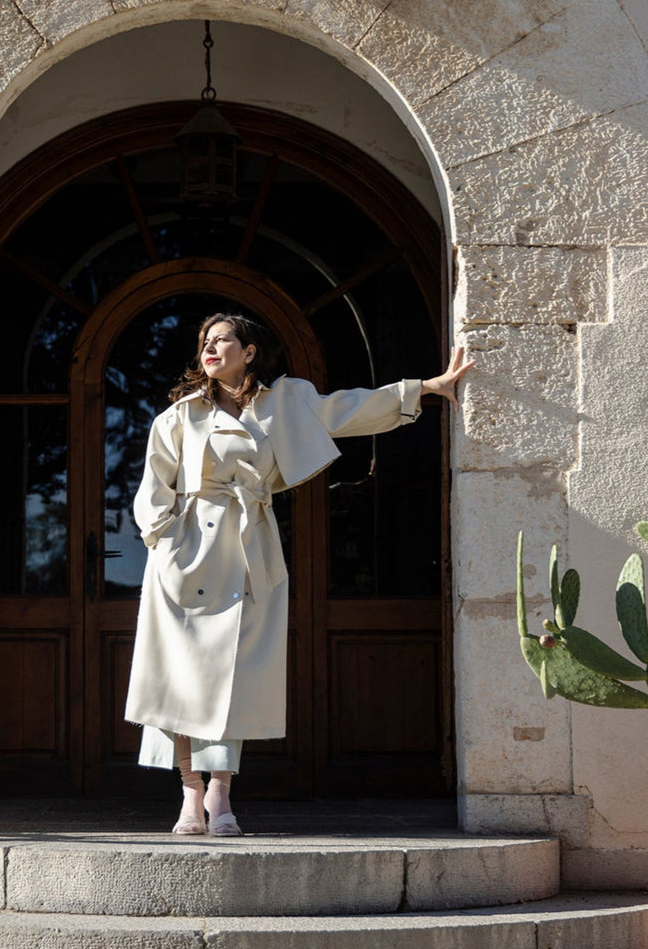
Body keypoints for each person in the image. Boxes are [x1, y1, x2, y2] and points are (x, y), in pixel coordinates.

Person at [124, 312, 472, 836]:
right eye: (205, 343)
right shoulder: (178, 418)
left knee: (234, 679)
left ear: (249, 352)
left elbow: (347, 409)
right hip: (184, 562)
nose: (210, 350)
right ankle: (189, 796)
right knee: (180, 681)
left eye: (222, 341)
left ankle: (221, 796)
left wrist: (424, 388)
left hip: (249, 554)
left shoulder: (285, 403)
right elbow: (152, 494)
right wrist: (167, 544)